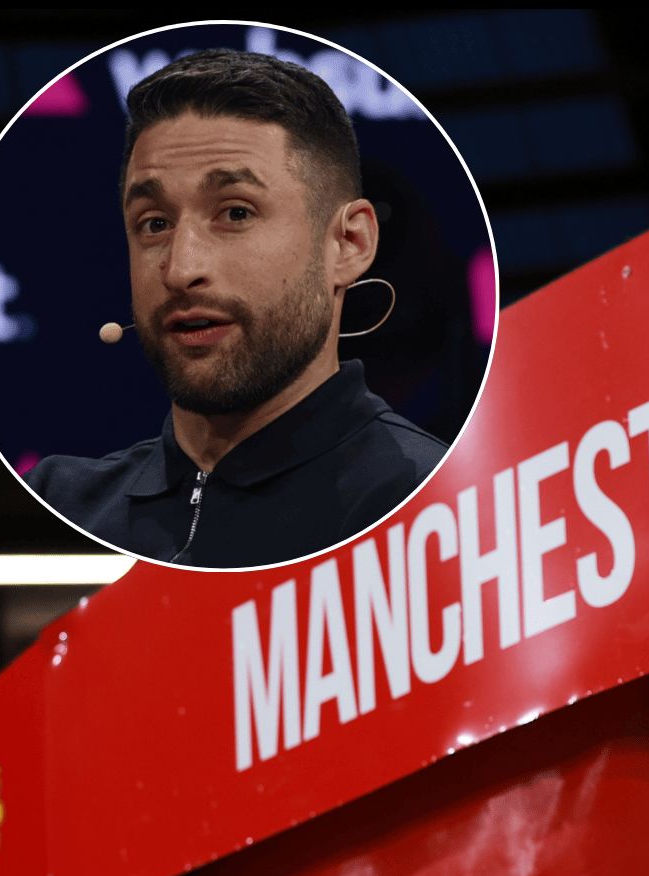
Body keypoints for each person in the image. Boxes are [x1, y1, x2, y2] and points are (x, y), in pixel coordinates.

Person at [25, 49, 448, 568]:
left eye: (235, 212)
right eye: (154, 223)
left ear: (348, 244)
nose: (181, 270)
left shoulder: (432, 505)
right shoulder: (59, 502)